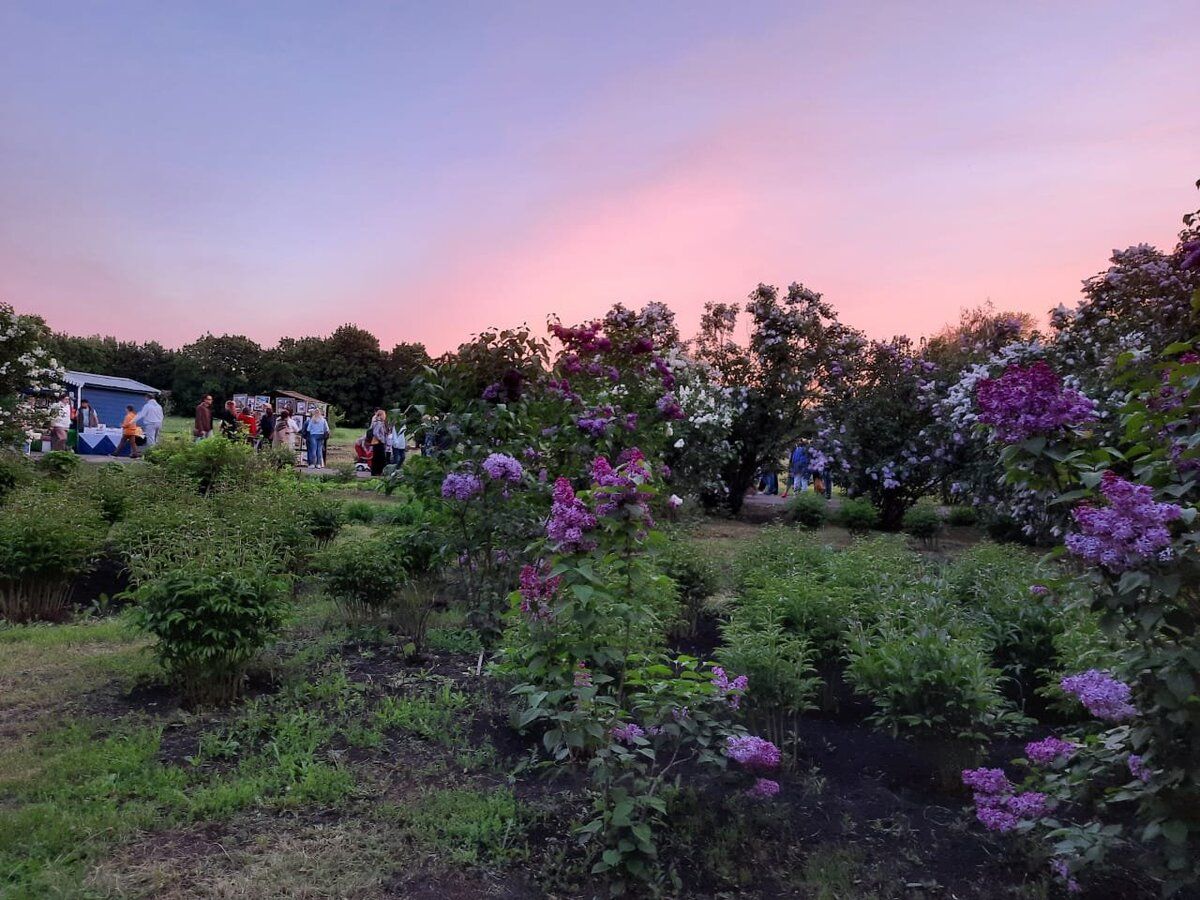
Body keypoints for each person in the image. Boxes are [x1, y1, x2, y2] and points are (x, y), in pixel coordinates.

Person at [367, 409, 389, 476]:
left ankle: (377, 472)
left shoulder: (379, 422)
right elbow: (376, 433)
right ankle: (380, 471)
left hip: (378, 443)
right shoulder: (378, 423)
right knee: (381, 457)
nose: (385, 416)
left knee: (377, 457)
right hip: (378, 443)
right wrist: (381, 439)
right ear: (381, 415)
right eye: (384, 415)